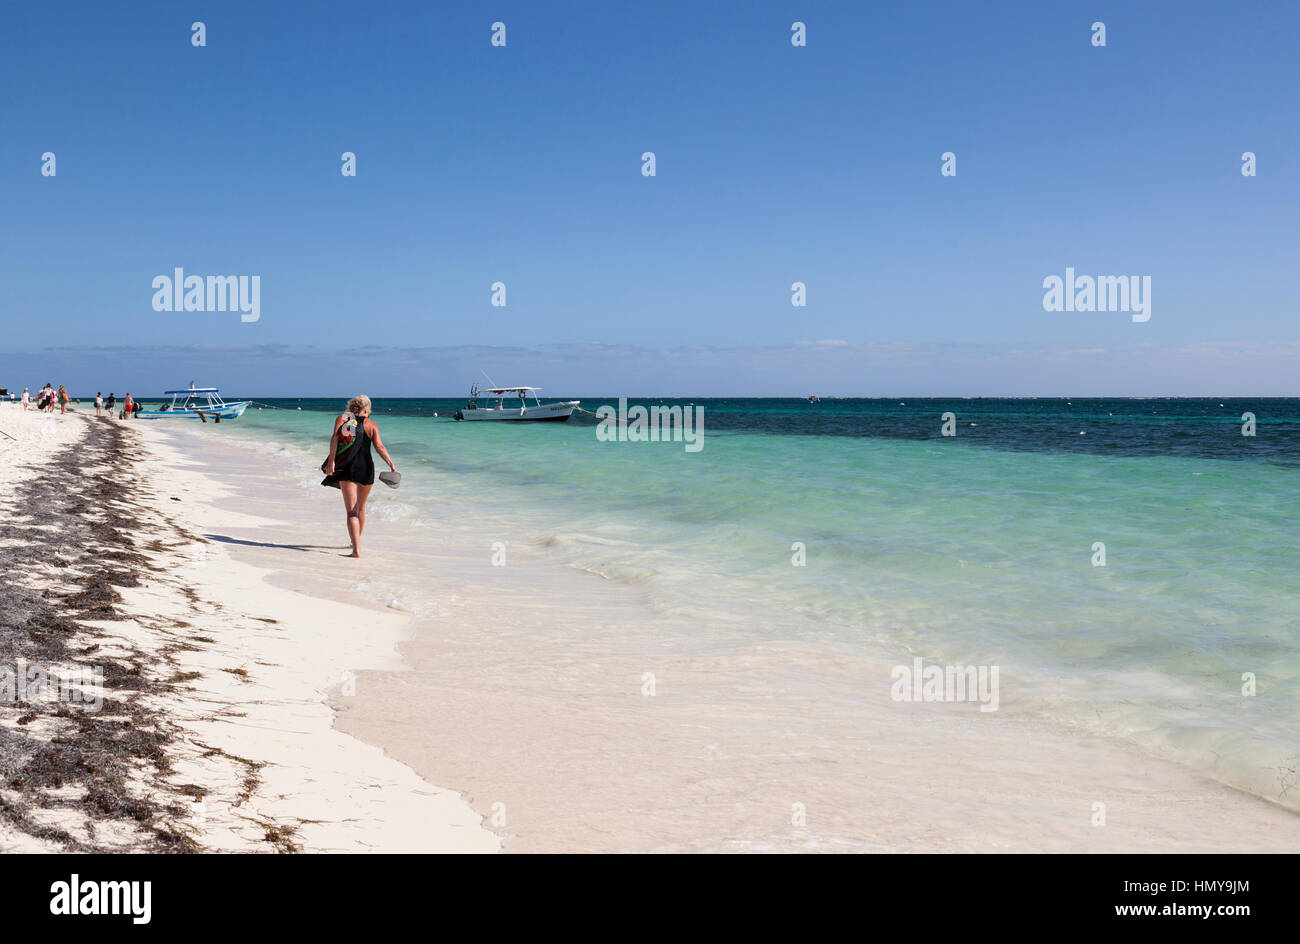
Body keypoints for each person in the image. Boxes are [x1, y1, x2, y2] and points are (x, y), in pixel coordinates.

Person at [320, 395, 397, 558]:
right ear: (366, 409)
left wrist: (332, 461)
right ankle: (355, 543)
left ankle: (356, 550)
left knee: (351, 512)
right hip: (367, 469)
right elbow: (379, 447)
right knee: (361, 509)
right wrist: (391, 464)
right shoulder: (371, 425)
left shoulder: (344, 419)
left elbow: (335, 439)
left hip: (349, 469)